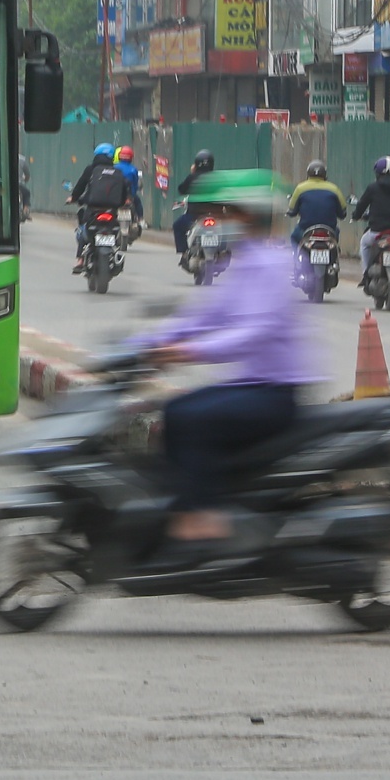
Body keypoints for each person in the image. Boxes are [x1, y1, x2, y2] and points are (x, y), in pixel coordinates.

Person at [130, 170, 310, 544]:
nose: (219, 220)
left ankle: (205, 520)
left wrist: (187, 351)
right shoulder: (245, 261)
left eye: (226, 212)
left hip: (275, 394)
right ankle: (183, 508)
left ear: (249, 216)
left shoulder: (274, 265)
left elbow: (252, 334)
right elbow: (206, 315)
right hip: (252, 386)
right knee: (174, 411)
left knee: (192, 418)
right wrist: (148, 342)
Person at [66, 142, 133, 273]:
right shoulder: (117, 171)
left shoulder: (91, 170)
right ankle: (116, 255)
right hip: (112, 210)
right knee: (115, 230)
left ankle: (80, 259)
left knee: (82, 228)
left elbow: (80, 186)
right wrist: (125, 201)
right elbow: (125, 190)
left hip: (93, 208)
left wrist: (73, 198)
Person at [351, 155, 390, 275]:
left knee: (364, 244)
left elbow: (361, 205)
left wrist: (355, 215)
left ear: (377, 173)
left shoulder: (372, 188)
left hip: (376, 232)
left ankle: (366, 274)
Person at [287, 160, 347, 247]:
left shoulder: (300, 188)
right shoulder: (334, 189)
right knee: (336, 234)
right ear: (325, 174)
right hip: (329, 229)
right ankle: (335, 254)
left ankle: (297, 259)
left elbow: (292, 211)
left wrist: (291, 212)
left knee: (294, 237)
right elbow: (342, 213)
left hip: (305, 228)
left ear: (308, 173)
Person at [171, 149, 217, 255]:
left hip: (194, 216)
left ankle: (184, 253)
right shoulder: (216, 177)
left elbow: (182, 189)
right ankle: (223, 252)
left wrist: (193, 173)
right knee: (225, 231)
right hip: (215, 216)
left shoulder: (192, 177)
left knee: (177, 226)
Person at [114, 146, 144, 225]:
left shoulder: (114, 167)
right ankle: (141, 219)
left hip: (115, 195)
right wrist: (133, 194)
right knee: (137, 202)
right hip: (129, 196)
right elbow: (135, 184)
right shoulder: (133, 169)